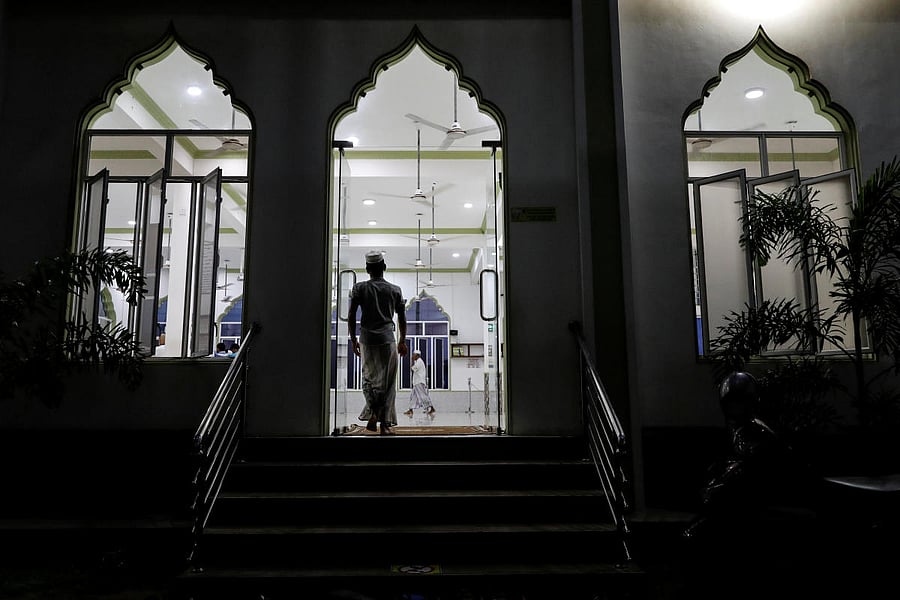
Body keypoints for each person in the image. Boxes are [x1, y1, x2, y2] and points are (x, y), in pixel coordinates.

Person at [348, 250, 408, 435]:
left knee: (369, 379)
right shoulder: (395, 290)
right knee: (388, 383)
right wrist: (402, 341)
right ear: (384, 267)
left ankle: (374, 413)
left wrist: (353, 340)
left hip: (366, 340)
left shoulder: (359, 288)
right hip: (387, 340)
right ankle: (384, 424)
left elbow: (351, 316)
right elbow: (402, 319)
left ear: (367, 269)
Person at [404, 350, 435, 416]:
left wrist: (412, 361)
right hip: (416, 382)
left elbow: (412, 369)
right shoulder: (418, 361)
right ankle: (410, 410)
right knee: (413, 396)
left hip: (419, 382)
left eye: (414, 355)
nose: (412, 356)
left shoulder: (419, 362)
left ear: (417, 355)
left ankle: (432, 408)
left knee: (423, 396)